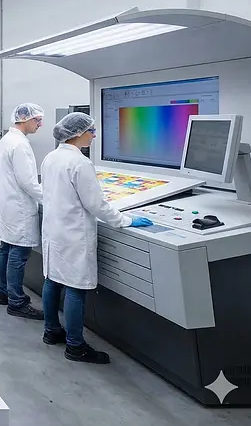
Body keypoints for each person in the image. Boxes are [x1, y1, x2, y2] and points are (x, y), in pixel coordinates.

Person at [40, 112, 153, 363]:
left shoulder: (51, 158)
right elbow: (97, 204)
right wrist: (125, 220)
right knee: (75, 289)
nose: (94, 136)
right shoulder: (80, 163)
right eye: (92, 131)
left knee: (52, 280)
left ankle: (51, 331)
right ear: (79, 133)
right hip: (73, 234)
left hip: (54, 230)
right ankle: (75, 346)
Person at [0, 103, 46, 320]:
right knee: (18, 253)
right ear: (24, 118)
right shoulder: (20, 144)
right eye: (37, 120)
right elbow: (28, 182)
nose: (40, 124)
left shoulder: (8, 139)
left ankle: (3, 293)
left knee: (6, 248)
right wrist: (52, 198)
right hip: (20, 206)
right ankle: (16, 301)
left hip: (8, 204)